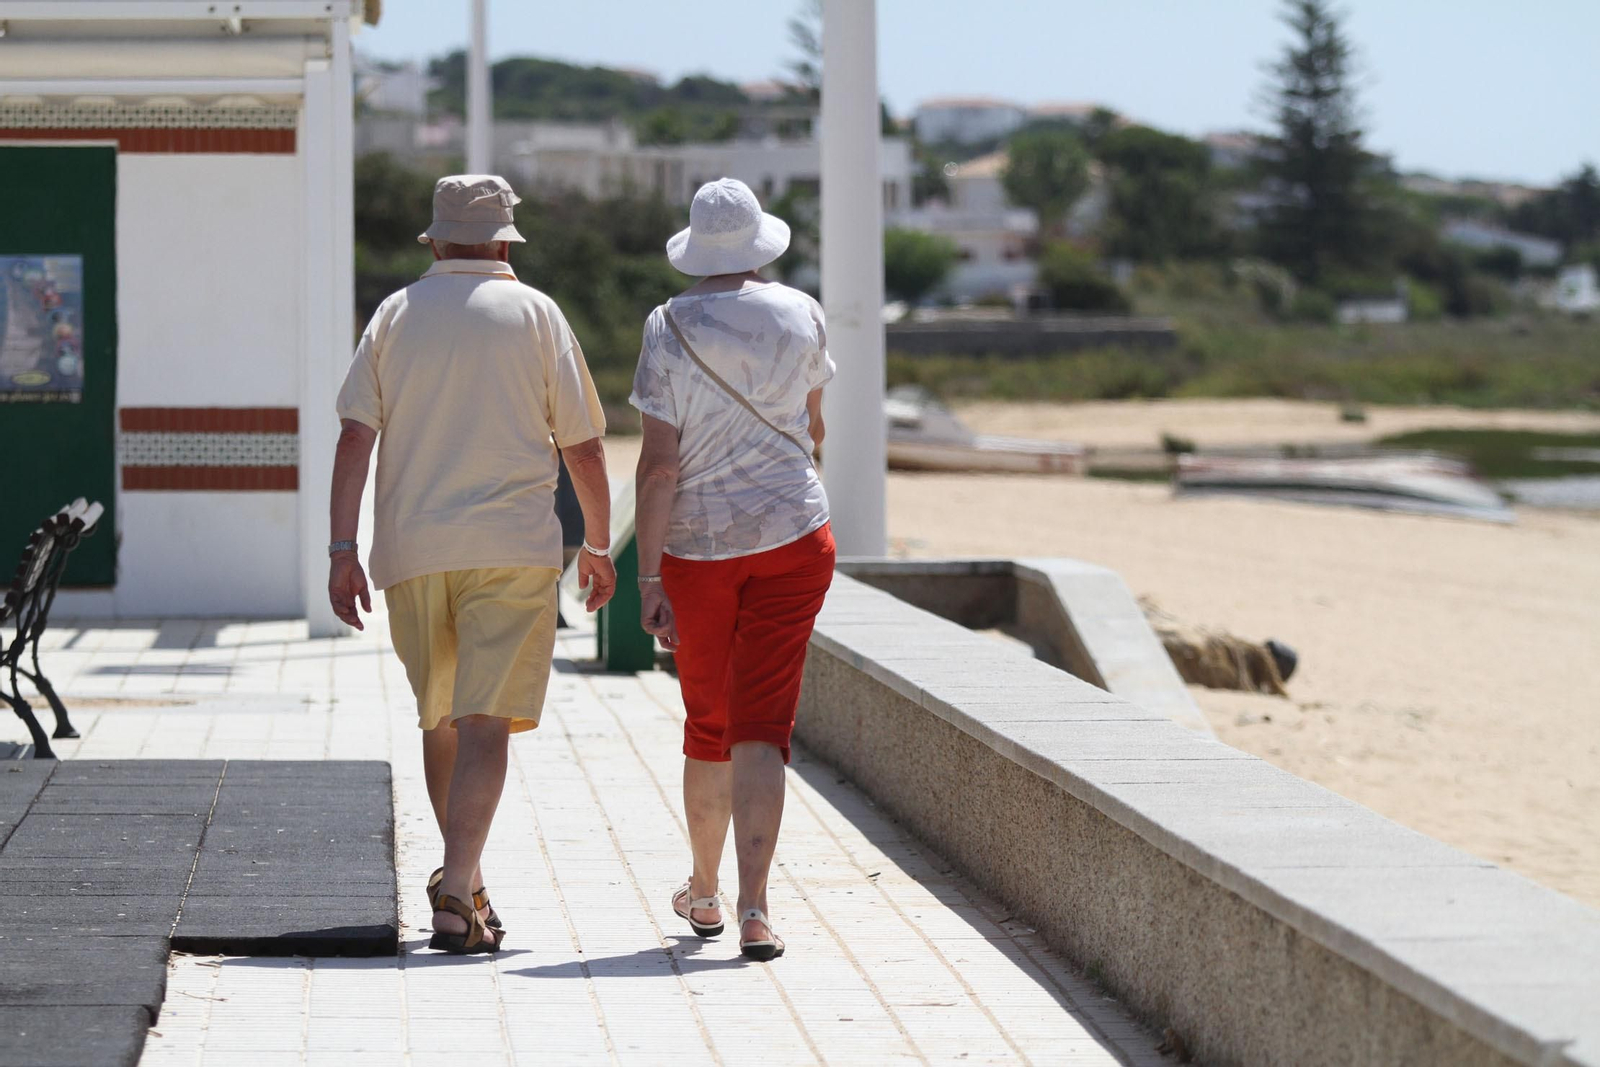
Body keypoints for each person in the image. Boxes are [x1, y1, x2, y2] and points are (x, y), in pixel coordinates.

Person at [328, 174, 616, 955]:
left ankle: (467, 883)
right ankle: (458, 884)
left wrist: (341, 550)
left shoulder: (394, 314)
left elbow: (356, 436)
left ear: (434, 241)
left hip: (414, 553)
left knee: (443, 715)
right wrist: (597, 541)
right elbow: (583, 445)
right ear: (503, 244)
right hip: (512, 549)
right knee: (487, 722)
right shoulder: (535, 313)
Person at [629, 177, 837, 962]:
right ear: (759, 243)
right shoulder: (802, 312)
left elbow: (657, 466)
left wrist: (650, 578)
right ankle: (756, 909)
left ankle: (705, 890)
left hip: (699, 549)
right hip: (793, 536)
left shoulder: (667, 326)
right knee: (764, 724)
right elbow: (814, 425)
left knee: (708, 721)